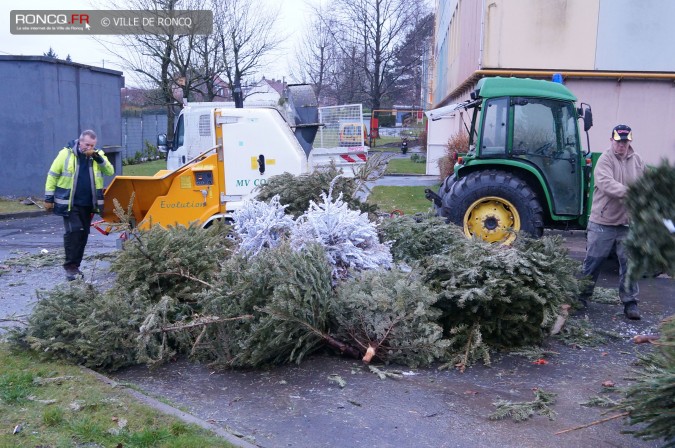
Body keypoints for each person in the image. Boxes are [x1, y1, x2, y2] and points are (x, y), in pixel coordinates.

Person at [580, 124, 645, 319]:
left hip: (627, 224)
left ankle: (630, 303)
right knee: (593, 262)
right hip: (603, 222)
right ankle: (581, 297)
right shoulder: (605, 160)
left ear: (629, 142)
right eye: (618, 141)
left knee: (629, 264)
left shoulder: (638, 161)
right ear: (611, 141)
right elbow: (607, 184)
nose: (621, 145)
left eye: (625, 141)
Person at [44, 130, 114, 281]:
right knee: (75, 231)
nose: (89, 147)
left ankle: (75, 266)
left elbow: (109, 170)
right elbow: (53, 175)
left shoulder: (97, 155)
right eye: (87, 144)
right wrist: (48, 198)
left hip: (88, 204)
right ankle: (70, 267)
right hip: (70, 203)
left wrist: (96, 156)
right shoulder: (65, 154)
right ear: (80, 142)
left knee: (82, 235)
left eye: (92, 145)